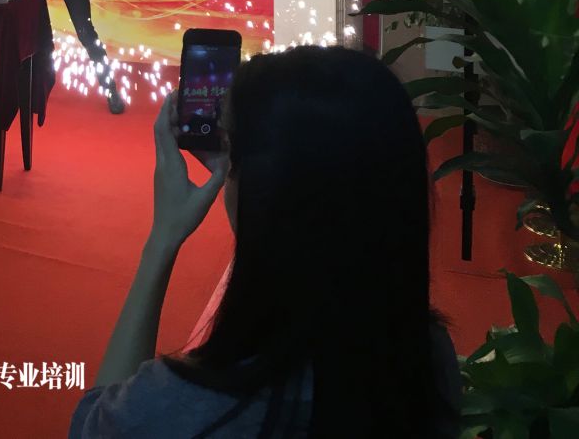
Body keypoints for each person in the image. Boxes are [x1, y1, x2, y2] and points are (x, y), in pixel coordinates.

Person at [69, 45, 461, 437]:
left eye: (234, 156)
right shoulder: (427, 358)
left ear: (267, 198)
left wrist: (162, 241)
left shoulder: (183, 405)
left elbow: (93, 423)